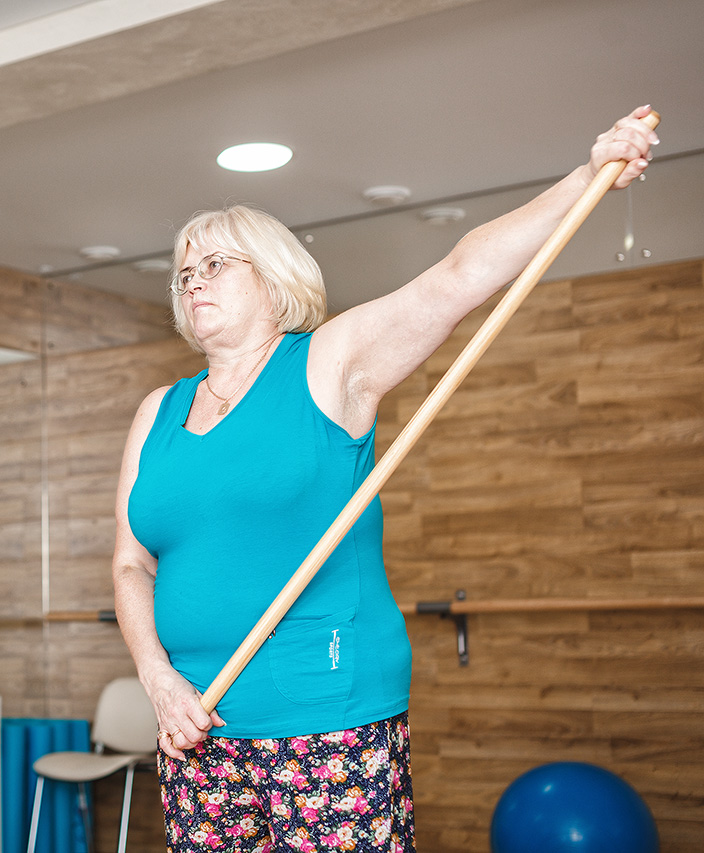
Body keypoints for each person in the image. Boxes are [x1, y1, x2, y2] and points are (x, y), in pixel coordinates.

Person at [112, 107, 657, 851]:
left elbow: (459, 276)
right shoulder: (158, 411)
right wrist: (156, 679)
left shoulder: (326, 364)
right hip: (193, 726)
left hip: (325, 720)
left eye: (215, 265)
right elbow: (131, 562)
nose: (192, 282)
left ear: (273, 277)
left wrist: (586, 176)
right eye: (183, 274)